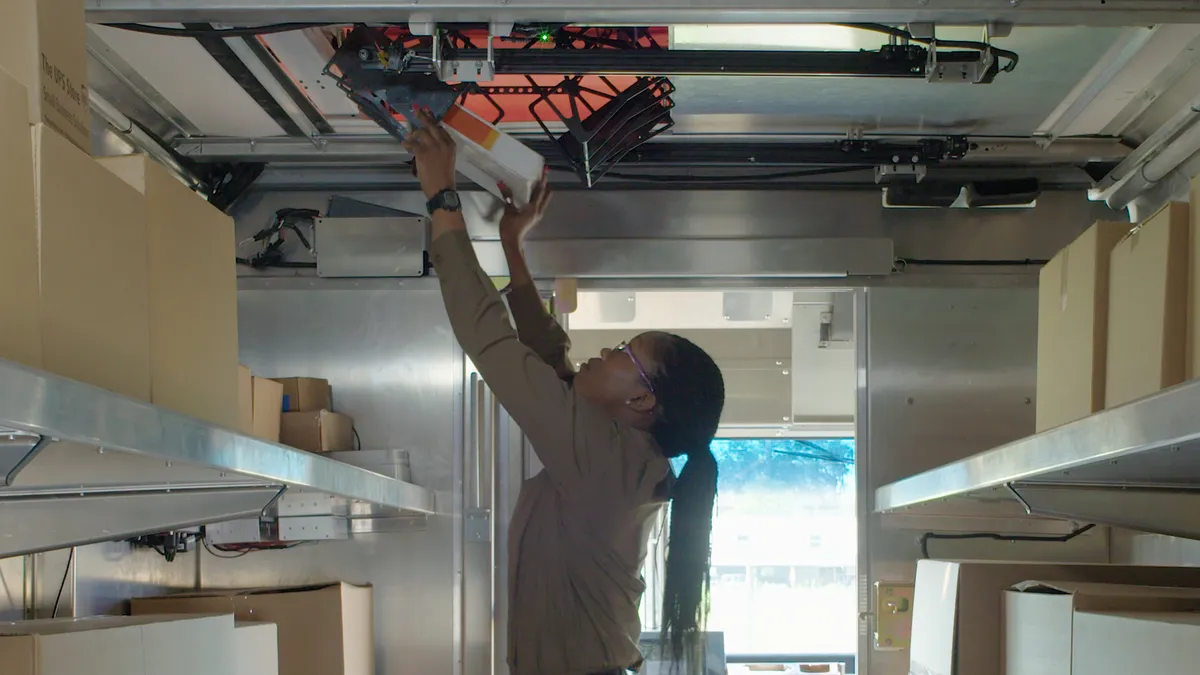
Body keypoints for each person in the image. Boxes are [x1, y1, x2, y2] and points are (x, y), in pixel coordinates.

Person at [405, 108, 726, 675]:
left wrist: (442, 197)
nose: (604, 354)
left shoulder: (611, 464)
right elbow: (552, 364)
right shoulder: (622, 458)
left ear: (642, 401)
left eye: (624, 352)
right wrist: (512, 244)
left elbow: (495, 345)